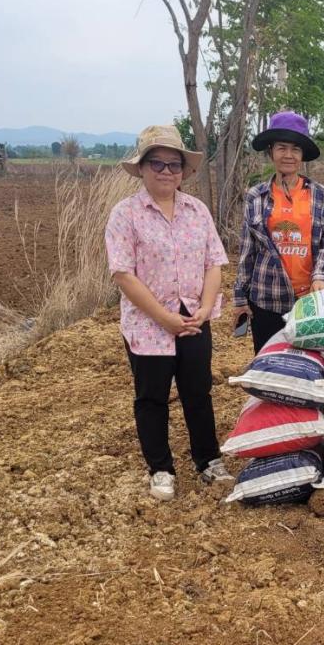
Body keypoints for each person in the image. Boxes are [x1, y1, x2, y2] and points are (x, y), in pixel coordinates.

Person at [105, 125, 233, 500]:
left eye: (173, 164)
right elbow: (123, 274)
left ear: (183, 171)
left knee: (198, 392)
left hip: (194, 318)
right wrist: (163, 317)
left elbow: (214, 264)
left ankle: (208, 461)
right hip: (148, 325)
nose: (166, 171)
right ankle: (161, 468)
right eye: (157, 163)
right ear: (142, 168)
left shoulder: (197, 211)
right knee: (152, 397)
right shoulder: (125, 214)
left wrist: (206, 309)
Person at [232, 111, 324, 353]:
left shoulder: (318, 194)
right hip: (266, 299)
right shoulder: (256, 196)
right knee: (270, 363)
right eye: (282, 147)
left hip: (309, 300)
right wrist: (240, 297)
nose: (288, 155)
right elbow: (247, 251)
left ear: (302, 155)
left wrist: (321, 276)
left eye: (295, 149)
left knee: (311, 363)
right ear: (271, 151)